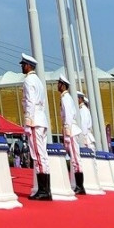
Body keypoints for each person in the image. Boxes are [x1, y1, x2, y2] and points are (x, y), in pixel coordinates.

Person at [19, 54, 51, 201]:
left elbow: (30, 102)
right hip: (41, 118)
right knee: (42, 154)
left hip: (35, 120)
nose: (21, 67)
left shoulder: (28, 81)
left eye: (23, 65)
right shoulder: (38, 81)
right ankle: (45, 189)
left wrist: (28, 121)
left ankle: (44, 190)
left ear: (28, 66)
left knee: (38, 155)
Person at [57, 75, 83, 194]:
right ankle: (79, 185)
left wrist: (66, 131)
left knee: (75, 158)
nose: (58, 85)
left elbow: (67, 115)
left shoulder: (66, 98)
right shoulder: (66, 98)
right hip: (70, 128)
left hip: (71, 130)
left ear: (63, 85)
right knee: (74, 158)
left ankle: (80, 186)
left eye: (59, 83)